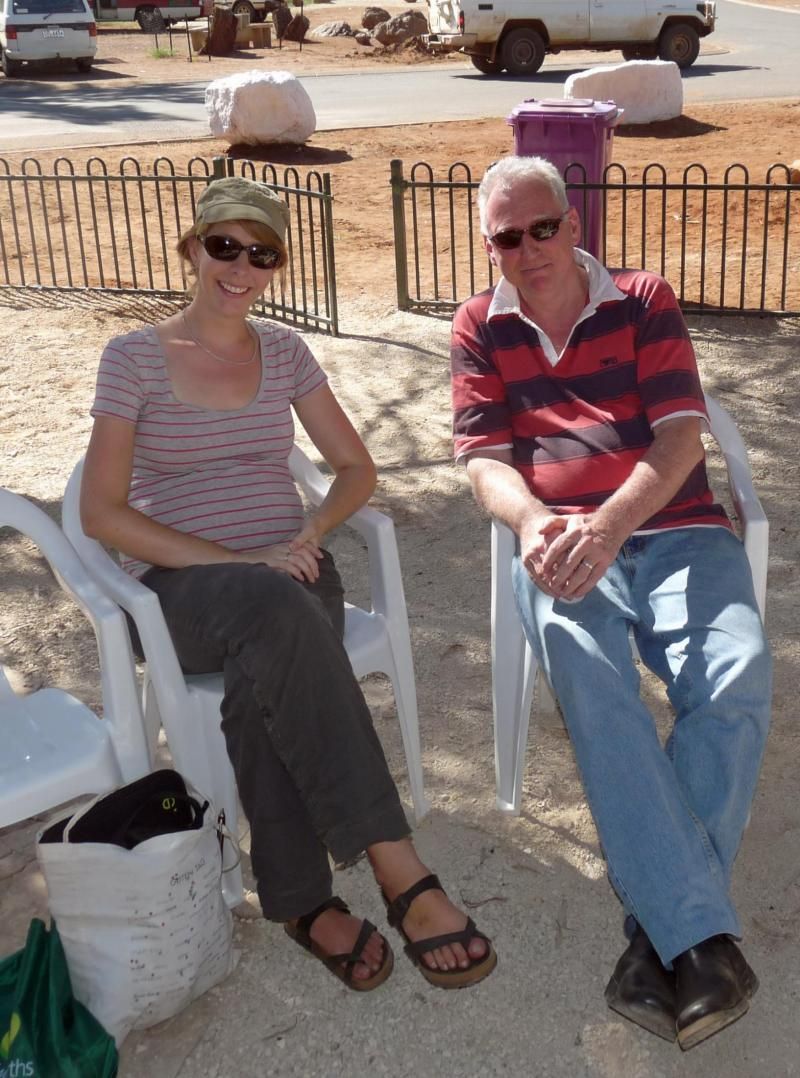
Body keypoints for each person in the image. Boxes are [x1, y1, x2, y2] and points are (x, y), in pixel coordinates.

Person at [81, 175, 496, 993]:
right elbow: (101, 513)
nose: (241, 267)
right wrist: (238, 562)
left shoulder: (286, 353)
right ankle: (396, 863)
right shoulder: (132, 357)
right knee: (268, 605)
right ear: (192, 247)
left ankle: (301, 901)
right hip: (177, 593)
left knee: (262, 663)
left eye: (262, 254)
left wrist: (308, 531)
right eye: (225, 246)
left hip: (290, 571)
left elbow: (354, 469)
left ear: (275, 267)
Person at [450, 155, 770, 1047]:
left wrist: (614, 524)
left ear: (573, 223)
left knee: (736, 676)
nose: (528, 248)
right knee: (592, 681)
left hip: (675, 525)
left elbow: (679, 436)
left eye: (541, 227)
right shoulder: (478, 325)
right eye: (507, 237)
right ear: (491, 248)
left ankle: (659, 938)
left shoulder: (643, 298)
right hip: (555, 539)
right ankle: (699, 940)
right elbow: (484, 461)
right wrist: (530, 523)